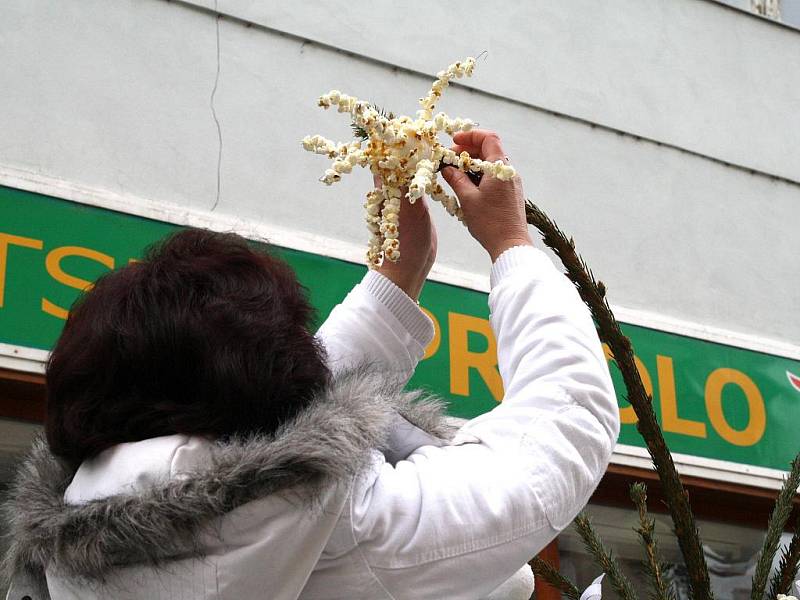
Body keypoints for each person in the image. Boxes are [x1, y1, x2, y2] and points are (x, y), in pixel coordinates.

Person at [3, 130, 619, 599]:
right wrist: (511, 243)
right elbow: (560, 432)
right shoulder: (325, 519)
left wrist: (397, 278)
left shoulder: (80, 530)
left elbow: (267, 430)